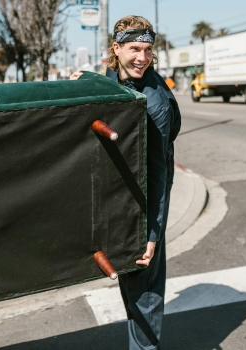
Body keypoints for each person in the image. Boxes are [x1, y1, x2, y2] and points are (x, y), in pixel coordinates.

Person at [71, 15, 181, 350]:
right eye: (135, 48)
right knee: (128, 279)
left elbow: (159, 174)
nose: (142, 58)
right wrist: (85, 82)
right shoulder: (111, 78)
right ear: (116, 49)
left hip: (147, 194)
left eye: (148, 50)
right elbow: (107, 88)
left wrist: (152, 233)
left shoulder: (156, 103)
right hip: (120, 190)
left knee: (144, 289)